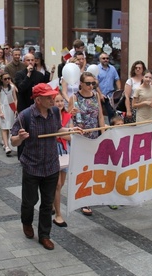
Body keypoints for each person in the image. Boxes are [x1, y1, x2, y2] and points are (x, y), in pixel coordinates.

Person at [11, 83, 82, 250]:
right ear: (38, 99)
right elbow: (13, 141)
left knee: (47, 202)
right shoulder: (25, 116)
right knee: (30, 201)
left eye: (53, 96)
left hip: (51, 165)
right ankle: (26, 222)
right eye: (49, 97)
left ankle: (44, 235)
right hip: (32, 165)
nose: (53, 100)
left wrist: (73, 132)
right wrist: (20, 138)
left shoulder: (55, 112)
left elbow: (57, 129)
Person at [69, 72, 106, 216]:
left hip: (94, 136)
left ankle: (91, 195)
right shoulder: (75, 97)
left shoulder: (96, 95)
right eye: (88, 84)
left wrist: (104, 135)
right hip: (80, 137)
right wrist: (72, 131)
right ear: (81, 84)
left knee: (94, 167)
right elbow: (68, 116)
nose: (91, 86)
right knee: (83, 168)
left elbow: (100, 116)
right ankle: (84, 200)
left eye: (93, 84)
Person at [52, 94, 72, 228]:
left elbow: (70, 136)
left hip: (65, 150)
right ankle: (58, 214)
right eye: (57, 101)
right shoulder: (50, 116)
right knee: (57, 184)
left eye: (61, 101)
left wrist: (60, 134)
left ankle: (52, 202)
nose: (59, 103)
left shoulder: (68, 116)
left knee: (61, 183)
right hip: (53, 150)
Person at [0, 72, 17, 156]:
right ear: (2, 80)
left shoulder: (12, 87)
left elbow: (15, 99)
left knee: (10, 127)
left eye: (9, 78)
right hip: (3, 108)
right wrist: (0, 112)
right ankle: (7, 146)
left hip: (10, 108)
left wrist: (15, 108)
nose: (7, 80)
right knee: (4, 127)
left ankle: (7, 143)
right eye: (5, 79)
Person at [96, 52, 121, 123]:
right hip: (99, 95)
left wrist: (119, 91)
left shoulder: (112, 68)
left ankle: (111, 130)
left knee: (111, 113)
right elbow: (95, 83)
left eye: (107, 58)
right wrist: (100, 94)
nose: (105, 60)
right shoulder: (97, 69)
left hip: (110, 96)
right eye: (103, 58)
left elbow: (117, 79)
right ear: (100, 59)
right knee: (98, 114)